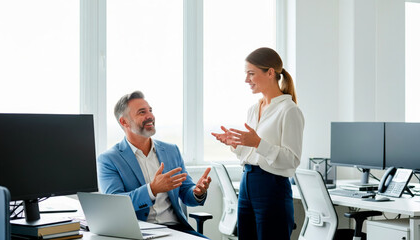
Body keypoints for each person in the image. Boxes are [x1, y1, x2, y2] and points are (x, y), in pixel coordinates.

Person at [211, 47, 304, 240]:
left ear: (270, 73)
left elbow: (292, 160)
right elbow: (251, 152)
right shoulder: (254, 109)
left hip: (272, 187)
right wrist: (235, 144)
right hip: (248, 183)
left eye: (251, 74)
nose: (246, 80)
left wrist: (258, 143)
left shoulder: (289, 110)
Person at [98, 91, 212, 238]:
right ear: (124, 122)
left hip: (177, 230)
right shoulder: (109, 159)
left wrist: (197, 192)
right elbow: (115, 205)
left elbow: (185, 192)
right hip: (139, 233)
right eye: (142, 112)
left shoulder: (171, 151)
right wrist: (152, 189)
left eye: (150, 110)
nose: (150, 116)